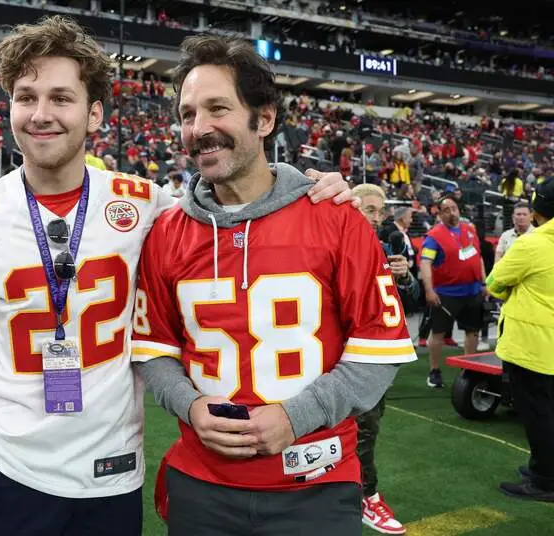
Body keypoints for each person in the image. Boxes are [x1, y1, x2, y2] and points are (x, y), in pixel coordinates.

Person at [0, 15, 354, 536]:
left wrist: (311, 185)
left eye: (60, 98)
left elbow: (236, 201)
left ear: (94, 115)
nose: (40, 114)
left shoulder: (145, 205)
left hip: (111, 469)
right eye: (26, 97)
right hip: (7, 465)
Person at [130, 35, 416, 536]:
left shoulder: (338, 219)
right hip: (202, 483)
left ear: (264, 119)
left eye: (218, 108)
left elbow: (378, 352)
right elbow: (153, 349)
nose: (199, 128)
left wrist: (298, 415)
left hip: (316, 481)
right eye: (188, 114)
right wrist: (190, 405)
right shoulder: (165, 233)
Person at [352, 184, 419, 535]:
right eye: (370, 210)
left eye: (380, 211)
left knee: (366, 427)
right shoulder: (339, 243)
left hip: (376, 356)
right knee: (361, 429)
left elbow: (413, 299)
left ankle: (357, 492)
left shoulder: (381, 248)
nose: (377, 218)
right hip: (348, 357)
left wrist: (406, 278)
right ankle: (366, 495)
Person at [487, 177, 554, 502]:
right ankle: (543, 465)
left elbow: (495, 283)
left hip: (532, 347)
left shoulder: (531, 244)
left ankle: (545, 481)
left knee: (537, 414)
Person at [419, 196, 487, 388]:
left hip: (473, 292)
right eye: (446, 209)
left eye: (454, 208)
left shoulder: (470, 230)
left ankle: (469, 368)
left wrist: (483, 282)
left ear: (459, 209)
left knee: (472, 331)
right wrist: (429, 290)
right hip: (446, 294)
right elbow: (425, 262)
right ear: (440, 214)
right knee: (439, 332)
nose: (451, 212)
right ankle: (434, 371)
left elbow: (478, 258)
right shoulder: (434, 236)